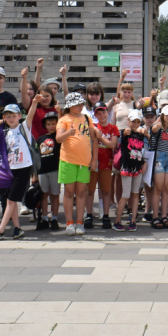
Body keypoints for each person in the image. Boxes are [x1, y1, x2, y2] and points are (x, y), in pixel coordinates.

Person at [0, 96, 42, 241]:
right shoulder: (5, 132)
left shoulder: (24, 128)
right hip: (10, 168)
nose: (11, 119)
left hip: (23, 168)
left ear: (19, 116)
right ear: (4, 118)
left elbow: (30, 116)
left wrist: (34, 102)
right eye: (8, 116)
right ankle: (17, 228)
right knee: (10, 200)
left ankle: (0, 230)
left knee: (11, 201)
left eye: (13, 115)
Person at [56, 91, 99, 236]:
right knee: (69, 191)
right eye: (77, 104)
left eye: (81, 103)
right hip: (68, 160)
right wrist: (68, 133)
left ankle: (80, 222)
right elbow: (58, 138)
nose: (80, 106)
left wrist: (94, 159)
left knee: (81, 191)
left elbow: (94, 139)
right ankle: (69, 223)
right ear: (69, 106)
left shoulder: (87, 118)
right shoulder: (64, 119)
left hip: (85, 161)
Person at [115, 109, 148, 231]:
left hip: (138, 167)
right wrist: (127, 131)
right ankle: (117, 220)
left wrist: (145, 162)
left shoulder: (141, 134)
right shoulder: (125, 132)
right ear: (128, 121)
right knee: (125, 194)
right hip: (127, 167)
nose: (136, 124)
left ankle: (133, 220)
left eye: (138, 122)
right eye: (133, 121)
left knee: (135, 194)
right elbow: (124, 134)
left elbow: (143, 149)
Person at [88, 102, 119, 230]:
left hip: (107, 163)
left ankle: (106, 215)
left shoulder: (113, 128)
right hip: (93, 163)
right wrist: (96, 132)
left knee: (106, 190)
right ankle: (89, 214)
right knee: (90, 190)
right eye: (99, 113)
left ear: (107, 112)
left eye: (104, 112)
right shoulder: (93, 127)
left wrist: (100, 138)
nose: (102, 115)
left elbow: (112, 145)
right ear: (95, 115)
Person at [149, 105, 168, 230]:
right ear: (162, 115)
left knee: (166, 189)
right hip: (159, 158)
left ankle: (164, 216)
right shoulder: (157, 126)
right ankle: (155, 216)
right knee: (158, 188)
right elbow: (153, 129)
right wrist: (158, 123)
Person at [35, 110, 61, 231]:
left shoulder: (59, 138)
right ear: (45, 125)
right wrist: (34, 174)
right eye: (49, 124)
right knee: (44, 194)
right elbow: (36, 156)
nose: (51, 126)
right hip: (42, 170)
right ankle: (45, 217)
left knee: (55, 194)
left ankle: (54, 217)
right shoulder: (40, 139)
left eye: (54, 123)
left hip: (55, 169)